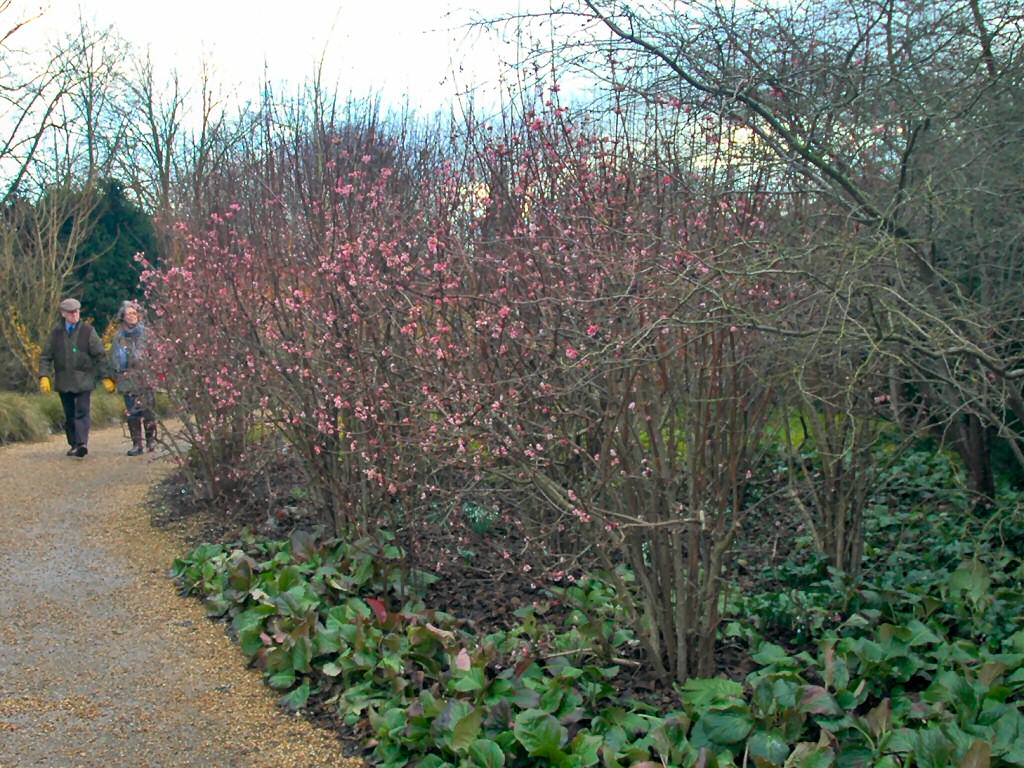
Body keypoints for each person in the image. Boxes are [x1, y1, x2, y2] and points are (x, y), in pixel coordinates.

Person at [38, 297, 111, 458]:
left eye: (77, 311)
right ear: (63, 313)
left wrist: (106, 376)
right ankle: (74, 444)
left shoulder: (88, 331)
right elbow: (45, 356)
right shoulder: (56, 333)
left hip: (84, 379)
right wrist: (44, 375)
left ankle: (81, 443)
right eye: (71, 312)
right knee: (69, 414)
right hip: (64, 380)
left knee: (82, 411)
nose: (75, 315)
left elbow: (99, 355)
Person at [109, 300, 158, 455]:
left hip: (145, 377)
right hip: (127, 379)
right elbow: (114, 358)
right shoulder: (118, 336)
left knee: (148, 410)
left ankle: (151, 440)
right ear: (123, 316)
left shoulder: (146, 333)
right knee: (132, 412)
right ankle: (137, 444)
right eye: (128, 314)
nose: (132, 316)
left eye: (134, 313)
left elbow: (156, 354)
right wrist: (114, 376)